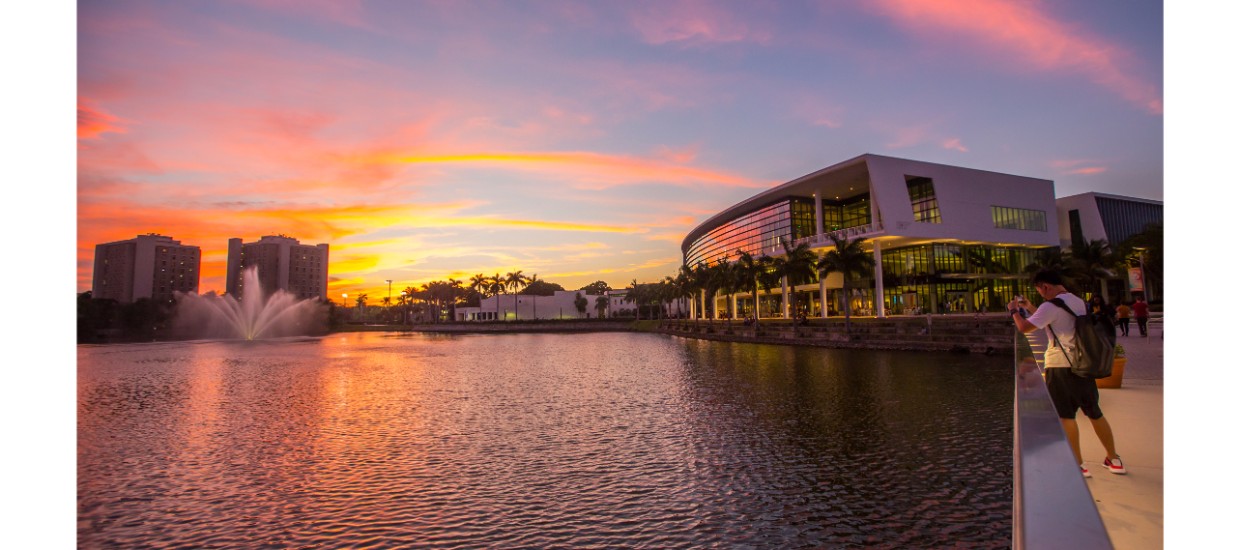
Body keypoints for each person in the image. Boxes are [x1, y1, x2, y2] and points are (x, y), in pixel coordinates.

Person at [1008, 270, 1126, 478]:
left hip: (1060, 366)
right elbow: (1053, 320)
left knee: (1065, 415)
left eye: (1040, 291)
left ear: (1045, 286)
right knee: (1094, 412)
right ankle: (1114, 458)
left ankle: (1078, 464)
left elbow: (1025, 328)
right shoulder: (1077, 301)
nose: (1041, 295)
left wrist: (1014, 311)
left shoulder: (1049, 306)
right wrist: (1030, 308)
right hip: (1083, 364)